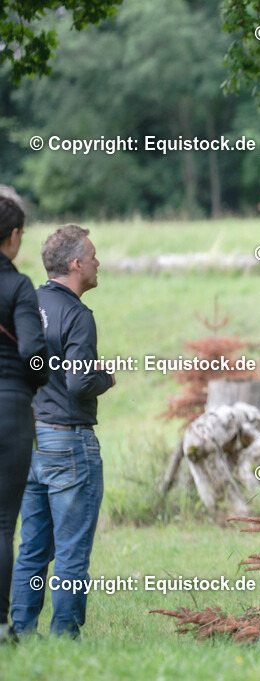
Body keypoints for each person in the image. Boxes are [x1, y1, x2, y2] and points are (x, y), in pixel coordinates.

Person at [10, 224, 115, 638]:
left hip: (28, 442)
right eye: (92, 256)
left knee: (31, 548)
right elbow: (78, 382)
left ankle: (19, 630)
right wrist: (106, 377)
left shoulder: (24, 307)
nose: (97, 262)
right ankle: (65, 636)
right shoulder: (77, 316)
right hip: (70, 444)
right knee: (72, 551)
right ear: (75, 264)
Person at [0, 195, 48, 644]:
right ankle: (0, 626)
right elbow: (32, 354)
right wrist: (34, 383)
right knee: (1, 524)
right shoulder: (18, 287)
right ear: (13, 237)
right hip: (10, 407)